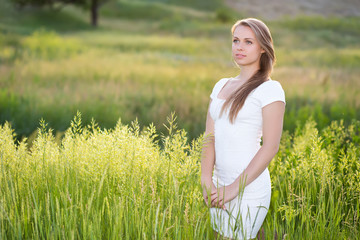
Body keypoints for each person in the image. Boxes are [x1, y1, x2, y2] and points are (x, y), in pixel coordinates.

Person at [201, 18, 285, 240]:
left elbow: (270, 146)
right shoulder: (221, 85)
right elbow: (209, 137)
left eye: (248, 42)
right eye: (236, 40)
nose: (239, 46)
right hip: (217, 184)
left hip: (248, 187)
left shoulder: (270, 89)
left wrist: (233, 189)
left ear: (263, 49)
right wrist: (206, 180)